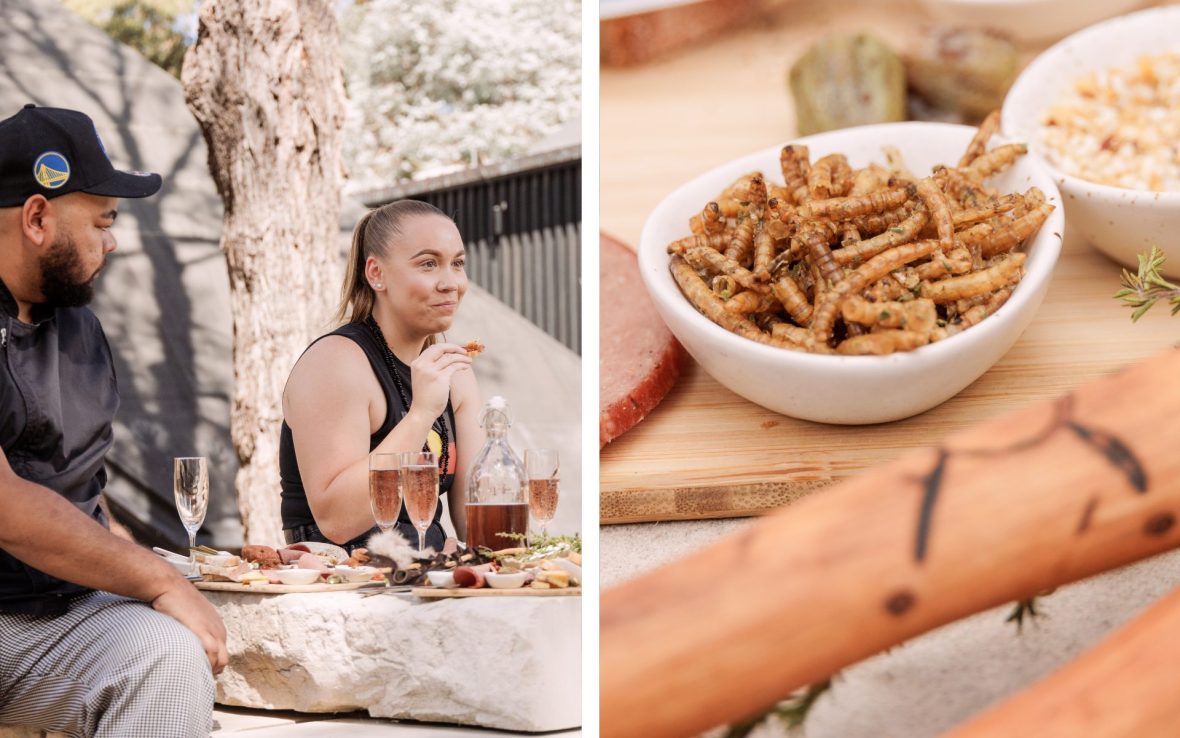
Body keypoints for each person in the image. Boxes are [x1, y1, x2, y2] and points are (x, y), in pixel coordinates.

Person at [0, 104, 226, 737]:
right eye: (103, 220)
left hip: (56, 616)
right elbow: (6, 503)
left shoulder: (81, 328)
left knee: (170, 659)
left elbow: (81, 495)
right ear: (37, 217)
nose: (113, 240)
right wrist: (158, 580)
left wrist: (157, 575)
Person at [280, 200, 483, 553]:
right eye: (429, 264)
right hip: (347, 586)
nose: (451, 283)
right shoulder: (337, 363)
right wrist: (421, 415)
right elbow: (337, 521)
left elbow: (475, 522)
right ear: (376, 273)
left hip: (427, 578)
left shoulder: (455, 373)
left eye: (458, 264)